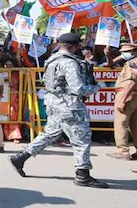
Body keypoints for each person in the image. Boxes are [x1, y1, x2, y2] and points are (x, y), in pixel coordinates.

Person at [9, 32, 108, 188]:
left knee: (50, 134)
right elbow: (78, 89)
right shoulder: (70, 63)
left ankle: (21, 157)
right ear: (75, 47)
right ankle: (83, 175)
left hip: (54, 103)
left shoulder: (52, 60)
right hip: (70, 106)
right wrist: (97, 87)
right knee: (81, 139)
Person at [109, 43, 137, 161]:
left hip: (127, 93)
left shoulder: (132, 64)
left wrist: (123, 100)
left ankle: (122, 150)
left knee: (121, 122)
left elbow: (131, 82)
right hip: (134, 94)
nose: (123, 54)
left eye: (127, 51)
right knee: (135, 124)